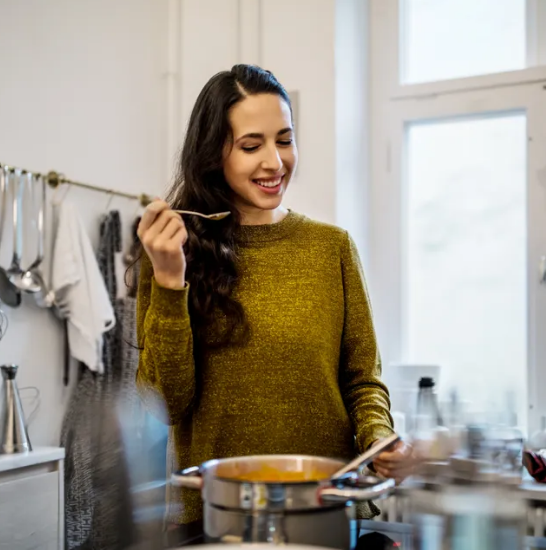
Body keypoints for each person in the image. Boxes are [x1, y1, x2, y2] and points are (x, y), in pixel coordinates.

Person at [135, 64, 415, 525]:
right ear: (213, 154)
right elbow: (166, 404)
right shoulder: (173, 252)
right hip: (219, 520)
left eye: (284, 140)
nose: (274, 161)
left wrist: (380, 441)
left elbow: (362, 380)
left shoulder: (332, 248)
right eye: (251, 145)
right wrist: (169, 281)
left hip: (327, 513)